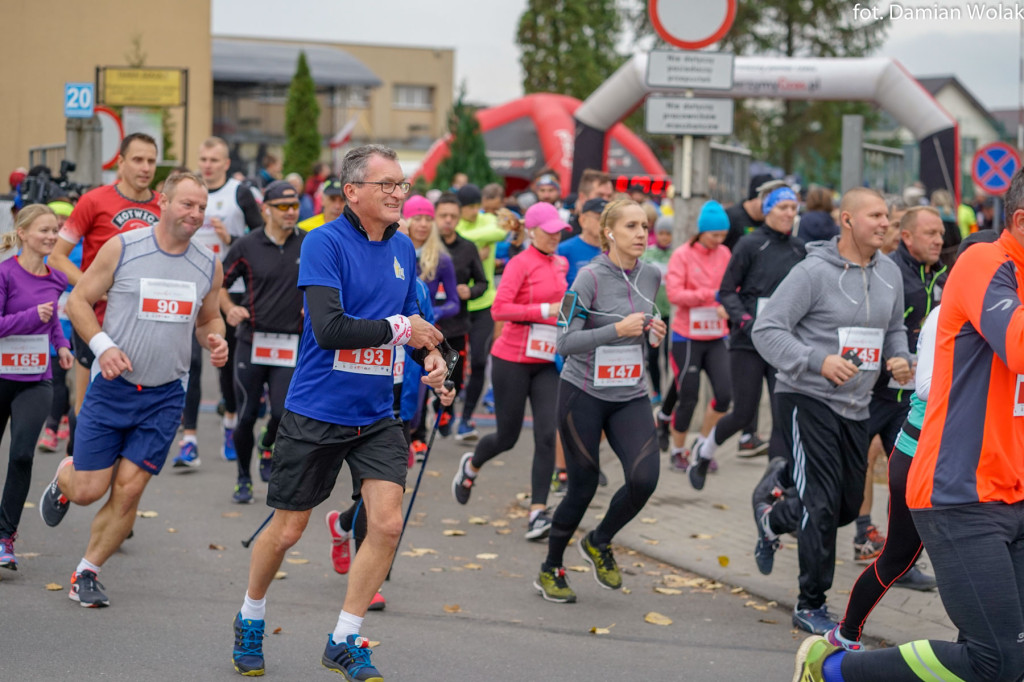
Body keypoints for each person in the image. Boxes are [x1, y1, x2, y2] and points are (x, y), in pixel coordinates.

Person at [228, 145, 453, 679]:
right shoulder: (324, 243)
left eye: (402, 185)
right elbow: (330, 330)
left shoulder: (401, 249)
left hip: (376, 414)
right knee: (286, 531)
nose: (400, 194)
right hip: (316, 409)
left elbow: (416, 326)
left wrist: (435, 361)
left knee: (387, 524)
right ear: (353, 191)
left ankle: (345, 638)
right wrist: (406, 332)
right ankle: (251, 614)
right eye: (388, 185)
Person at [793, 173, 1024, 682]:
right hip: (961, 492)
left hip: (1013, 493)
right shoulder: (986, 263)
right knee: (996, 662)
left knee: (1005, 658)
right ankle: (831, 667)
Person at [38, 171, 228, 606]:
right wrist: (103, 348)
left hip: (163, 396)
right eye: (187, 204)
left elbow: (209, 318)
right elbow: (79, 301)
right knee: (88, 490)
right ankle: (65, 476)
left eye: (202, 207)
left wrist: (216, 339)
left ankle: (87, 571)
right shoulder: (124, 247)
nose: (196, 214)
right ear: (163, 201)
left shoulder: (207, 263)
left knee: (128, 490)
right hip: (113, 385)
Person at [749, 187, 912, 635]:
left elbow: (894, 328)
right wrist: (815, 360)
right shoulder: (811, 273)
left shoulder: (890, 275)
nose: (884, 223)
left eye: (888, 217)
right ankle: (811, 603)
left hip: (857, 405)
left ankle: (771, 517)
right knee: (820, 506)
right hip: (806, 396)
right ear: (846, 220)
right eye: (876, 216)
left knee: (842, 507)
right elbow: (767, 330)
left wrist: (900, 359)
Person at [533, 199, 666, 603]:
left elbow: (641, 326)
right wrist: (617, 331)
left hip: (630, 395)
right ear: (609, 232)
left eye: (644, 226)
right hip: (584, 394)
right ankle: (550, 567)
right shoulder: (588, 278)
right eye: (631, 226)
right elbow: (565, 342)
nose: (641, 233)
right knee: (583, 486)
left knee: (644, 479)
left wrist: (654, 332)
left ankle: (599, 540)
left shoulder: (652, 275)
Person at [451, 201, 569, 541]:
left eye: (558, 230)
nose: (555, 236)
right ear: (531, 231)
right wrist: (546, 308)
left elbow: (563, 305)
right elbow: (501, 309)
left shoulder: (561, 263)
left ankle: (537, 513)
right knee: (507, 437)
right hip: (512, 360)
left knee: (547, 435)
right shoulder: (520, 264)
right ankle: (471, 466)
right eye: (548, 231)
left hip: (546, 360)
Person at [851, 206, 945, 585]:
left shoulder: (940, 275)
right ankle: (785, 509)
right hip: (872, 388)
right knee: (855, 465)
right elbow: (870, 322)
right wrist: (893, 356)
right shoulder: (889, 272)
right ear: (907, 237)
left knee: (903, 475)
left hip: (911, 395)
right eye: (931, 234)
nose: (940, 240)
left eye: (941, 233)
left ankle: (897, 558)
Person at [688, 187, 806, 487]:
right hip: (748, 341)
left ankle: (774, 489)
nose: (789, 214)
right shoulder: (749, 244)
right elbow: (727, 290)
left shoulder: (798, 249)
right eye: (783, 208)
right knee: (742, 413)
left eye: (794, 208)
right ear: (768, 210)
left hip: (782, 342)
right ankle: (704, 452)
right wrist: (745, 320)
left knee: (782, 416)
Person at [48, 133, 161, 423]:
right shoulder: (93, 201)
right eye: (137, 159)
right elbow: (57, 257)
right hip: (95, 319)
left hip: (145, 323)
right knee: (87, 410)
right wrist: (91, 289)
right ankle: (76, 463)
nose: (145, 167)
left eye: (151, 160)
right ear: (121, 162)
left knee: (134, 409)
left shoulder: (165, 207)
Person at [175, 136, 264, 468]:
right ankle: (190, 438)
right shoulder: (190, 196)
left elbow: (261, 236)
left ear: (226, 164)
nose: (208, 165)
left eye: (214, 160)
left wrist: (231, 239)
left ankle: (230, 420)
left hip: (229, 290)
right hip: (186, 287)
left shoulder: (239, 194)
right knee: (192, 365)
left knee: (224, 365)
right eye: (203, 159)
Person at [219, 180, 305, 502]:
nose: (290, 212)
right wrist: (230, 309)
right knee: (246, 415)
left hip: (291, 342)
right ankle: (243, 476)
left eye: (295, 205)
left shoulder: (308, 244)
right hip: (252, 341)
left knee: (284, 413)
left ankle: (267, 445)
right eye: (282, 206)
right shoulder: (247, 245)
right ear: (265, 209)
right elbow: (220, 285)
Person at [0, 206, 74, 570]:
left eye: (55, 231)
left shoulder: (57, 278)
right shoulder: (4, 274)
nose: (51, 236)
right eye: (44, 230)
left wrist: (62, 346)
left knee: (22, 455)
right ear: (23, 232)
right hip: (0, 375)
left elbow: (53, 323)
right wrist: (33, 316)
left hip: (35, 378)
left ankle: (4, 536)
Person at [663, 202, 731, 472]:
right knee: (688, 395)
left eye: (723, 235)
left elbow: (731, 287)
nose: (719, 240)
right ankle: (677, 450)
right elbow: (674, 294)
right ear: (702, 231)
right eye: (715, 235)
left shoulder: (725, 253)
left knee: (724, 395)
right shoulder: (682, 255)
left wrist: (726, 300)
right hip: (687, 336)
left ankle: (703, 446)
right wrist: (708, 295)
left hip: (716, 334)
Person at [455, 184, 508, 440]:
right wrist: (477, 246)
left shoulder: (487, 219)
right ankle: (442, 410)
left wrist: (469, 247)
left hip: (485, 301)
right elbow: (453, 235)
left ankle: (465, 419)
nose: (474, 211)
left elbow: (501, 231)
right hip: (457, 304)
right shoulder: (457, 224)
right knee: (452, 362)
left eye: (477, 206)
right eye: (469, 207)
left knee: (478, 362)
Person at [434, 192, 488, 443]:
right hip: (428, 324)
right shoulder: (428, 246)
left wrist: (471, 291)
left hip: (457, 326)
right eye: (443, 215)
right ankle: (431, 419)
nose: (448, 221)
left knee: (452, 374)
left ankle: (448, 411)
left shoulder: (467, 248)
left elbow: (482, 282)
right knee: (427, 374)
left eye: (453, 216)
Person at [37, 199, 79, 453]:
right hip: (49, 321)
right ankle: (56, 422)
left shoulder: (81, 249)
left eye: (65, 220)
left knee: (60, 374)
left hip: (76, 321)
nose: (60, 225)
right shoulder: (38, 248)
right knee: (56, 374)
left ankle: (53, 426)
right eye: (55, 220)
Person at [642, 214, 674, 404]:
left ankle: (670, 390)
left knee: (669, 355)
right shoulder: (648, 254)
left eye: (668, 234)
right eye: (661, 233)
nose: (664, 237)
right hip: (653, 313)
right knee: (653, 354)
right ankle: (656, 390)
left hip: (671, 313)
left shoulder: (676, 254)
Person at [558, 197, 607, 287]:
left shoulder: (614, 252)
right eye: (599, 218)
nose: (604, 224)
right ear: (583, 220)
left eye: (608, 220)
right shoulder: (563, 250)